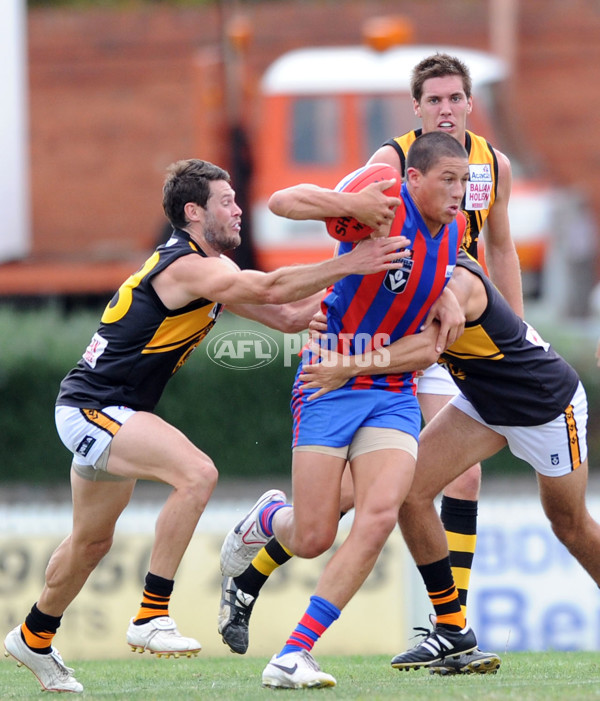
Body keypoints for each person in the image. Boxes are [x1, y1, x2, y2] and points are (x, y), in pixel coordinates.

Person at [1, 159, 408, 694]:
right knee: (197, 474)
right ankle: (151, 615)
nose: (239, 210)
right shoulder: (188, 265)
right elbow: (270, 287)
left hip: (113, 411)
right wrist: (352, 261)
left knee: (90, 543)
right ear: (194, 213)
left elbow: (287, 315)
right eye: (226, 202)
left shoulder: (213, 272)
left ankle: (33, 636)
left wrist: (369, 283)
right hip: (92, 407)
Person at [218, 52, 520, 674]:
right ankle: (275, 520)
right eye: (434, 99)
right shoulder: (387, 178)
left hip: (392, 374)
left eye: (455, 97)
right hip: (335, 370)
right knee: (314, 534)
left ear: (469, 102)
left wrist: (509, 334)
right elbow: (282, 201)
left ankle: (437, 629)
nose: (462, 196)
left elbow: (496, 250)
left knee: (401, 500)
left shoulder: (462, 217)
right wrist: (349, 210)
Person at [299, 247, 599, 672]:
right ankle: (452, 630)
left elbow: (422, 350)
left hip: (546, 407)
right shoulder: (415, 273)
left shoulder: (460, 283)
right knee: (410, 492)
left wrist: (347, 363)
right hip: (483, 402)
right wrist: (325, 318)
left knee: (570, 525)